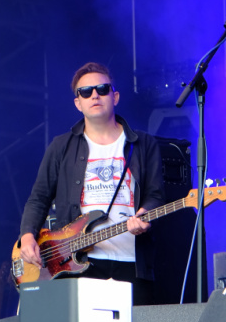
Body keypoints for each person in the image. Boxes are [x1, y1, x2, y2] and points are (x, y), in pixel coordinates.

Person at [18, 63, 164, 304]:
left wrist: (145, 214)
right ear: (78, 102)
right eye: (85, 92)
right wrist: (27, 236)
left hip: (132, 263)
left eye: (102, 89)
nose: (94, 95)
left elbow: (155, 195)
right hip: (77, 265)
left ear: (115, 96)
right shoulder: (61, 146)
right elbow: (39, 197)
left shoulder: (143, 144)